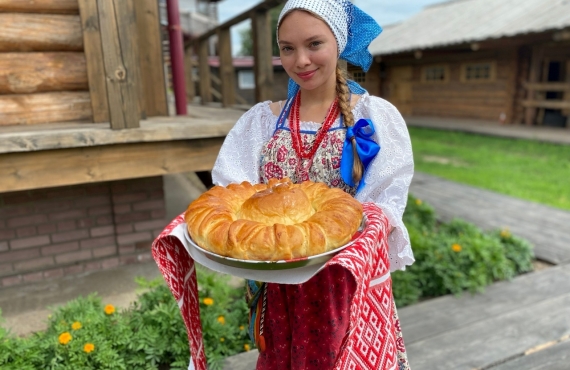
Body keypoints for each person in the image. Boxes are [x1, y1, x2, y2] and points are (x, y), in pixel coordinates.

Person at [210, 0, 414, 368]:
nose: (300, 60)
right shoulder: (262, 122)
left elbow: (386, 200)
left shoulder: (373, 116)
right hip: (280, 285)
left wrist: (353, 233)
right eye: (288, 48)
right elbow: (233, 196)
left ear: (339, 42)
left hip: (343, 285)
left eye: (314, 44)